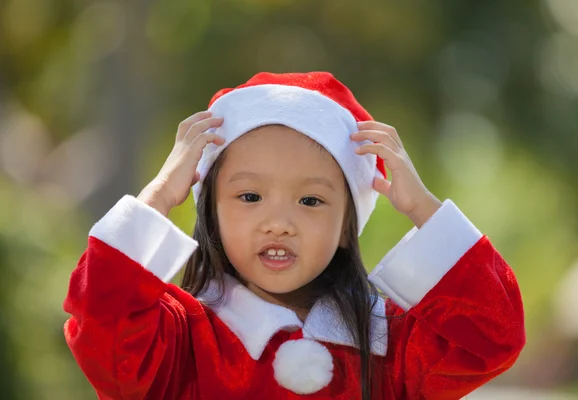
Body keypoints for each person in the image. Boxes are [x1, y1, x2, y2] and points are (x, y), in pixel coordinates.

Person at [63, 72, 526, 400]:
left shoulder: (390, 347)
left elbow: (491, 337)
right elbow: (102, 326)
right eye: (249, 197)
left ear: (347, 227)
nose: (279, 222)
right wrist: (159, 196)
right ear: (211, 212)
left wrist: (423, 208)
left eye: (310, 201)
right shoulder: (180, 338)